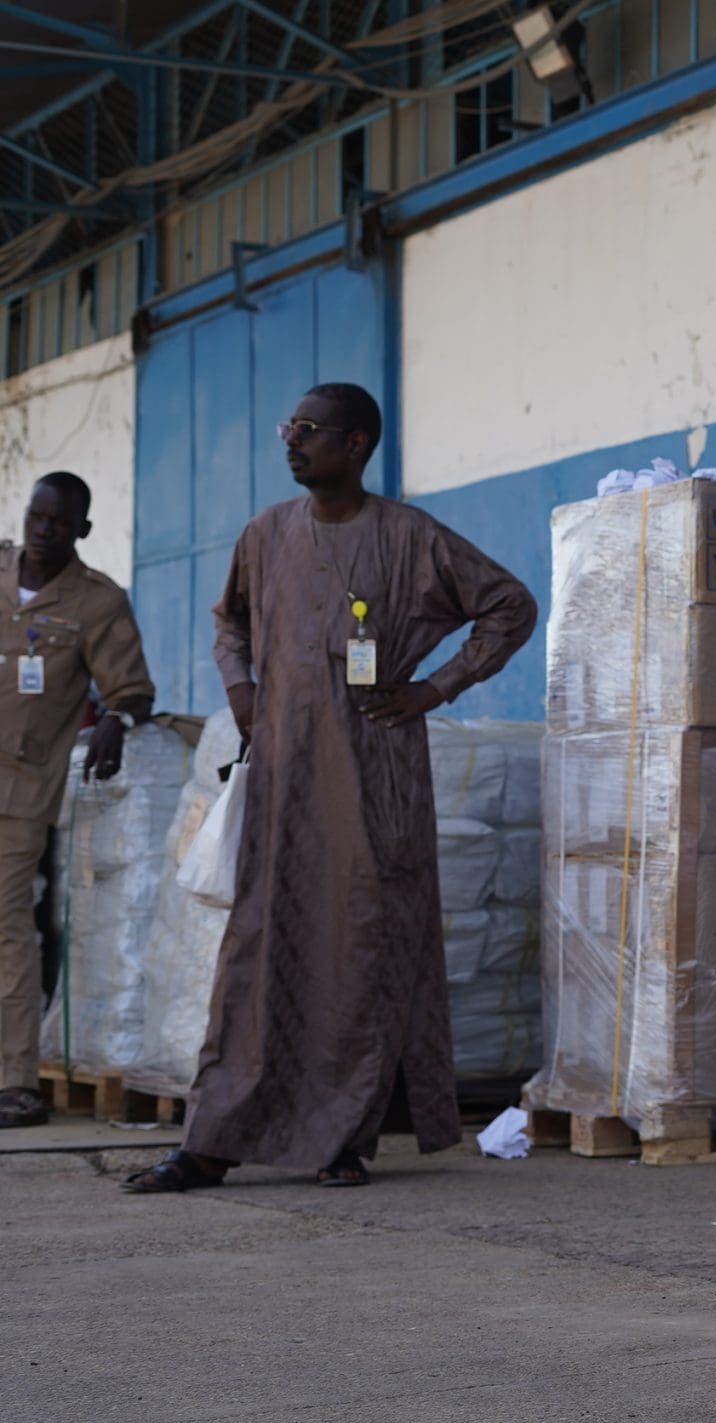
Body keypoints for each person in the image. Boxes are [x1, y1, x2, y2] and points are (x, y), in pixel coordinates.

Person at [123, 383, 535, 1192]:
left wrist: (435, 686)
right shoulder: (266, 533)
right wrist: (240, 689)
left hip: (375, 778)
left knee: (360, 951)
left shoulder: (410, 537)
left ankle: (343, 1135)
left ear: (356, 445)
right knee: (256, 953)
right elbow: (230, 620)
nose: (292, 440)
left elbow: (509, 605)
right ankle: (211, 1140)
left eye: (308, 429)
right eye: (290, 426)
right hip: (283, 778)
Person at [0, 474, 153, 1128]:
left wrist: (118, 718)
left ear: (82, 530)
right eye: (36, 515)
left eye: (58, 521)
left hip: (20, 787)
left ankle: (14, 1080)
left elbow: (132, 687)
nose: (43, 529)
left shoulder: (97, 602)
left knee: (6, 926)